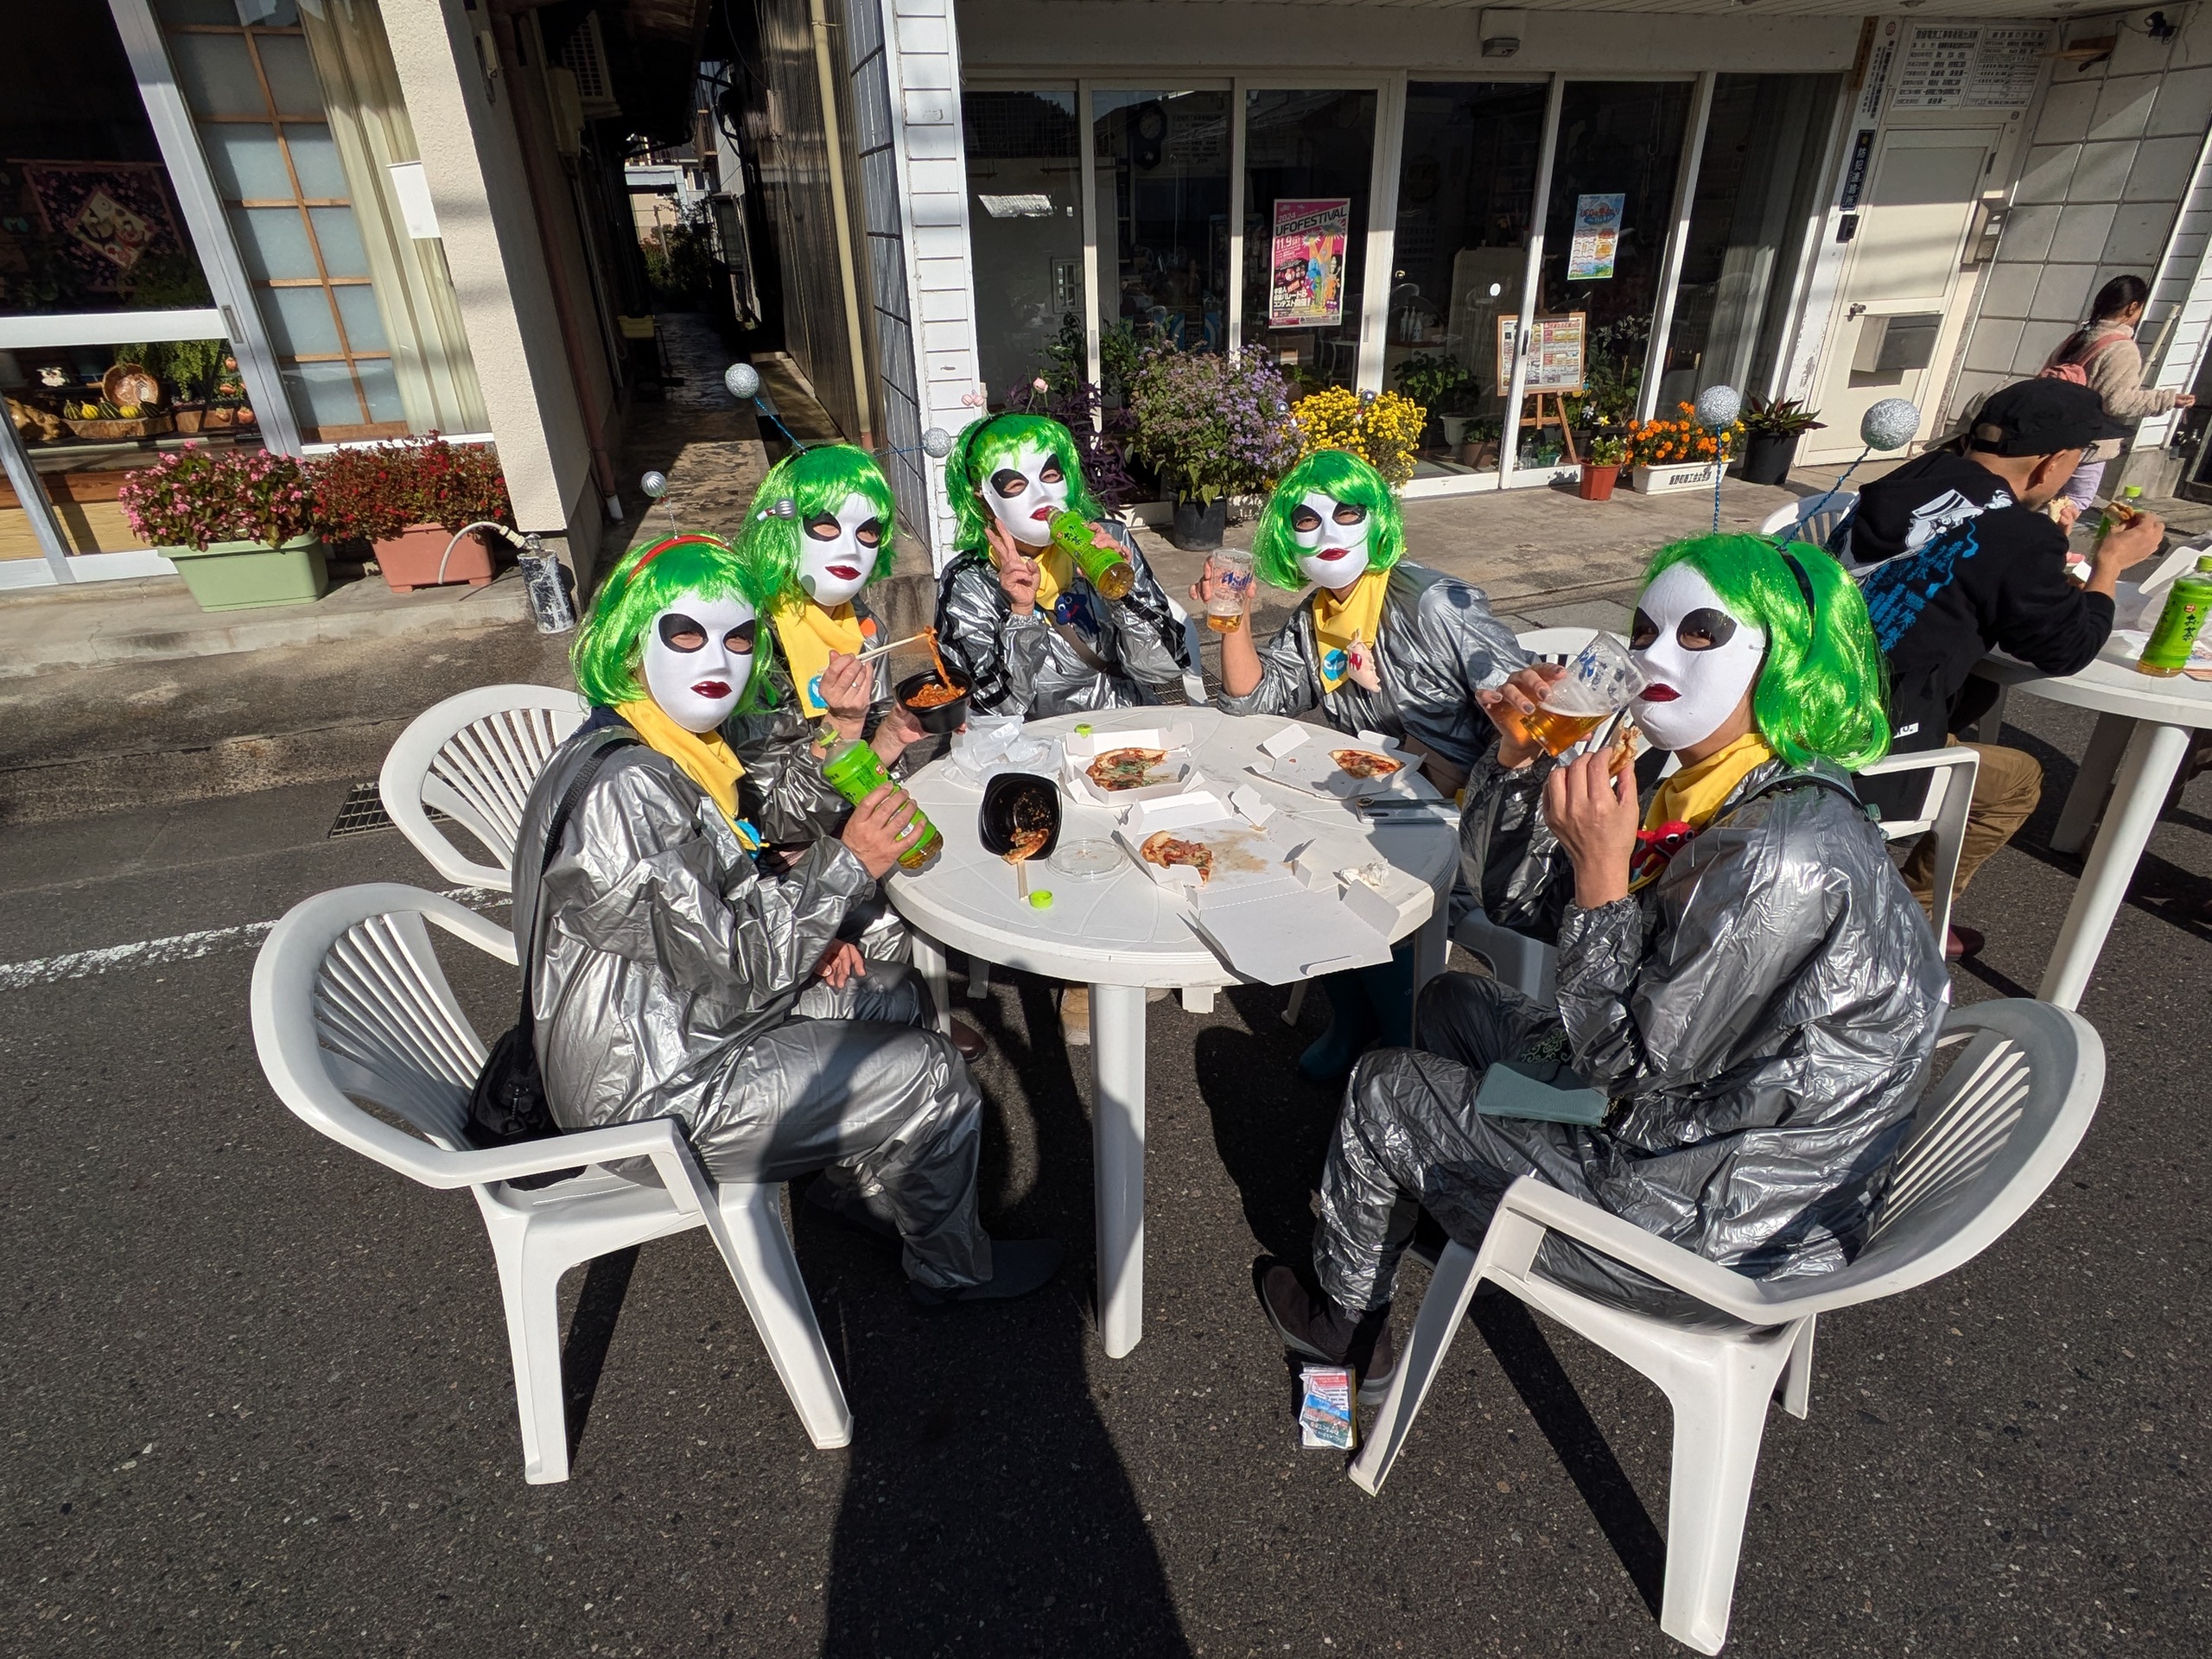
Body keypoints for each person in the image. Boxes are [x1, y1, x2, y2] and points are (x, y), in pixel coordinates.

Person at [1256, 533, 1950, 1401]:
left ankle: (1343, 1335)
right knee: (1448, 1003)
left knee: (1382, 1089)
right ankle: (1429, 1192)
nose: (1655, 655)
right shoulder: (1721, 779)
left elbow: (1628, 1067)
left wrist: (1598, 877)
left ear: (1783, 659)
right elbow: (1515, 904)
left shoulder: (1780, 854)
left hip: (1718, 1227)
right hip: (1704, 1123)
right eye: (1646, 628)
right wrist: (1515, 759)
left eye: (1698, 632)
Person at [513, 531, 1059, 1304]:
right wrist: (848, 868)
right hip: (648, 1083)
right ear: (631, 639)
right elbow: (736, 970)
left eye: (739, 638)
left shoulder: (668, 736)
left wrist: (847, 730)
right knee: (934, 1073)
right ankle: (952, 1270)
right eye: (685, 634)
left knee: (894, 994)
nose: (719, 660)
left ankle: (858, 1185)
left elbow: (762, 811)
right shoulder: (624, 792)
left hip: (681, 1014)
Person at [1201, 448, 1526, 1079]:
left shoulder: (1437, 603)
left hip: (1470, 812)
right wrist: (1233, 621)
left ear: (1376, 521)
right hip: (1375, 797)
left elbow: (1523, 717)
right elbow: (1254, 707)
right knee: (1287, 856)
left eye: (1347, 513)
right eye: (1305, 520)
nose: (1325, 534)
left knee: (1365, 884)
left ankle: (1409, 1051)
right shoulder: (1316, 613)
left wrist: (1456, 780)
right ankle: (1355, 1020)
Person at [1834, 377, 2167, 957]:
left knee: (1975, 705)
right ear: (2052, 464)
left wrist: (2035, 551)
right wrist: (2110, 565)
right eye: (2082, 456)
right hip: (1866, 744)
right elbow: (2068, 647)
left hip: (1804, 693)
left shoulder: (1910, 478)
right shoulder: (2017, 534)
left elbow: (1958, 576)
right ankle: (1906, 922)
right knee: (2017, 782)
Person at [722, 446, 986, 1063]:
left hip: (826, 833)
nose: (851, 546)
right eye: (825, 525)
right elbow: (772, 817)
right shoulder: (746, 643)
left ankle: (914, 1027)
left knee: (935, 855)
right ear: (783, 527)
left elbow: (858, 768)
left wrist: (890, 736)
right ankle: (869, 1059)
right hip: (759, 866)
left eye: (869, 531)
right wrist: (842, 729)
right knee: (897, 899)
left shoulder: (854, 621)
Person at [933, 411, 1191, 718]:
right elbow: (993, 708)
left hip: (1123, 725)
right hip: (1036, 743)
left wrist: (1122, 593)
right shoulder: (969, 580)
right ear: (983, 503)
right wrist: (1021, 614)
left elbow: (1163, 668)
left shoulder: (1107, 540)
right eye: (1015, 484)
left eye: (1051, 476)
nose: (1041, 495)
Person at [2038, 275, 2195, 530]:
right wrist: (2167, 399)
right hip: (2089, 444)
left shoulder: (2075, 339)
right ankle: (2045, 551)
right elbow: (2118, 403)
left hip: (2051, 435)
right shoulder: (2122, 348)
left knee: (2047, 497)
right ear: (2132, 307)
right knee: (2074, 501)